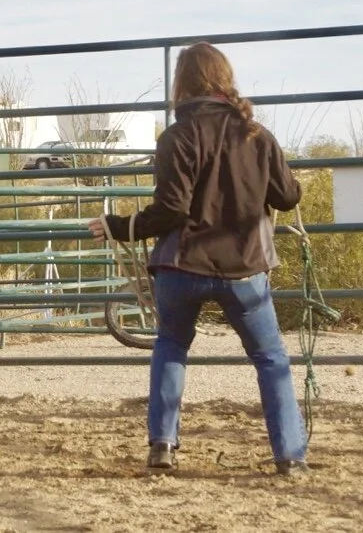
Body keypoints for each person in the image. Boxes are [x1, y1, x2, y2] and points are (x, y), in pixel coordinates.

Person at [87, 41, 310, 476]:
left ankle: (162, 445)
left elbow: (171, 210)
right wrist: (281, 176)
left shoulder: (176, 137)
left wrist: (118, 225)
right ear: (225, 79)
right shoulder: (258, 136)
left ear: (182, 84)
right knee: (270, 357)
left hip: (181, 265)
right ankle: (290, 455)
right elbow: (287, 197)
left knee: (171, 345)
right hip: (244, 268)